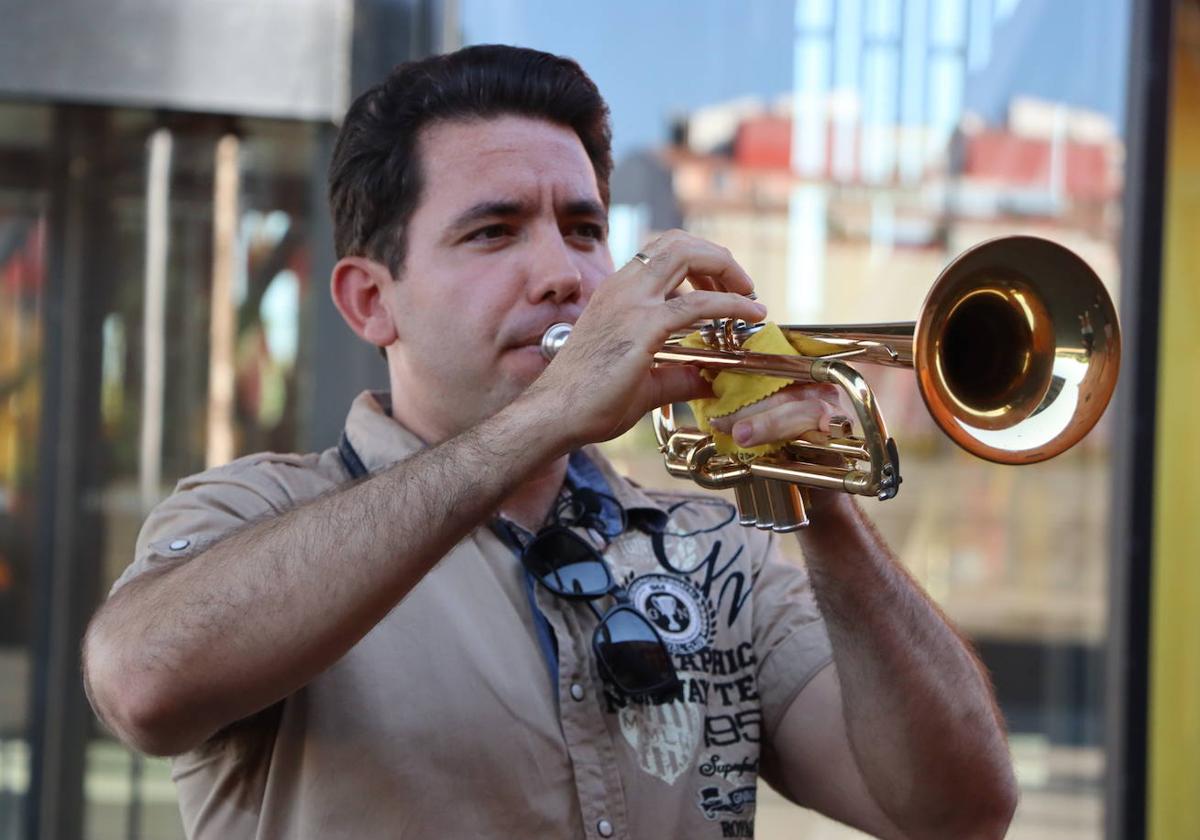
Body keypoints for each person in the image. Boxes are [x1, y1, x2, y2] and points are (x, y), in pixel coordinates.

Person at [83, 45, 1017, 839]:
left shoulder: (720, 552)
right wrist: (544, 417)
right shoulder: (258, 511)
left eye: (584, 230)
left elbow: (956, 813)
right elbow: (143, 682)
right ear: (372, 301)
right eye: (494, 233)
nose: (564, 274)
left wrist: (826, 515)